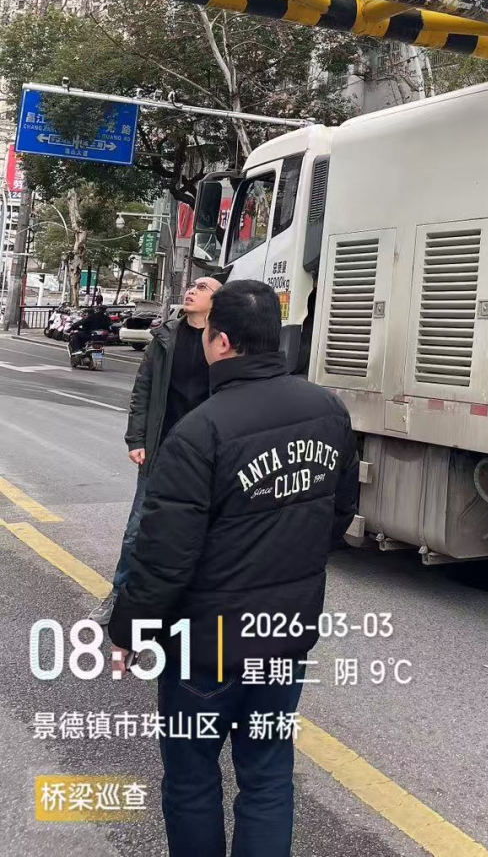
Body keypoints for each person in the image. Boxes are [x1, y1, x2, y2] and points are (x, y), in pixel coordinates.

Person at [108, 280, 360, 857]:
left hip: (205, 646)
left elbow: (164, 555)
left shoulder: (199, 431)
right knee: (267, 775)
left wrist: (129, 631)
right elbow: (339, 513)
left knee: (192, 777)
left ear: (219, 342)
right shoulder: (328, 411)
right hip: (284, 636)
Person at [88, 274, 222, 624]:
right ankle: (119, 595)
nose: (192, 290)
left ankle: (190, 605)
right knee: (139, 528)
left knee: (203, 530)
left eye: (203, 288)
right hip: (162, 448)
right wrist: (136, 440)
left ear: (217, 302)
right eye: (192, 286)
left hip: (207, 454)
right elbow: (143, 391)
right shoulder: (165, 337)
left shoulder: (224, 341)